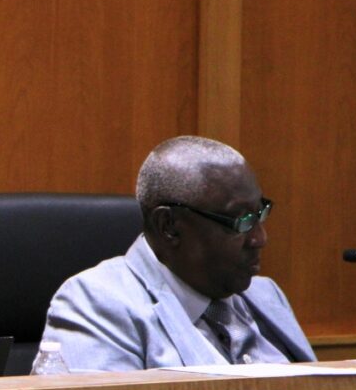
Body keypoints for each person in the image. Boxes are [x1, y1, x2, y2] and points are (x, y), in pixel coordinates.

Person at [38, 135, 316, 372]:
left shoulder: (265, 296)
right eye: (240, 221)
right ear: (168, 226)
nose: (259, 238)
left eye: (260, 214)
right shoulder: (98, 304)